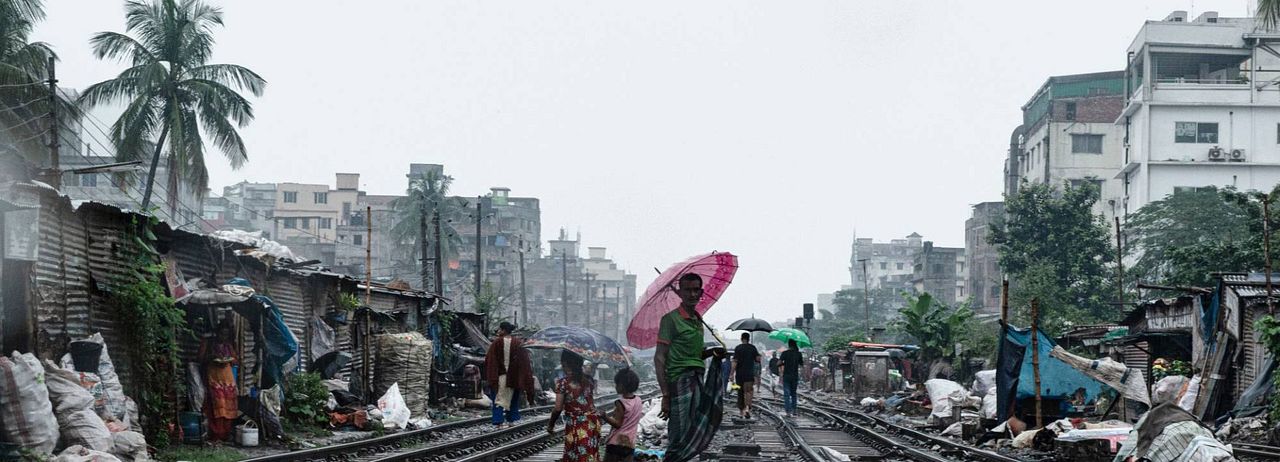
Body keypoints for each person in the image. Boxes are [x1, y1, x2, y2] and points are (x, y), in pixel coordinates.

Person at [655, 273, 726, 462]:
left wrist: (712, 352)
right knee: (679, 433)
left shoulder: (698, 321)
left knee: (693, 430)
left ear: (701, 292)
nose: (692, 294)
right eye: (688, 290)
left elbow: (695, 355)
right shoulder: (670, 320)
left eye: (696, 290)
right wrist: (666, 394)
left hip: (697, 378)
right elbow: (660, 357)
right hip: (679, 380)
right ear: (680, 292)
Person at [547, 350, 602, 462]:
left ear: (564, 363)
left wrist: (551, 425)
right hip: (592, 422)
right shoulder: (589, 380)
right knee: (589, 455)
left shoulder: (563, 383)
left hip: (576, 424)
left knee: (575, 455)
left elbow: (558, 408)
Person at [485, 321, 535, 428]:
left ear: (503, 330)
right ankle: (511, 420)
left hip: (500, 377)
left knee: (498, 399)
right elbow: (524, 361)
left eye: (499, 329)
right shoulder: (518, 343)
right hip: (514, 377)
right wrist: (524, 377)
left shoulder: (496, 343)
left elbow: (490, 360)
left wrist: (492, 375)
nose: (498, 331)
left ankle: (499, 422)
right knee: (513, 399)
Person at [200, 318, 238, 442]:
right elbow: (200, 358)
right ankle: (216, 435)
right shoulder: (210, 344)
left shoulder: (228, 346)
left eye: (226, 334)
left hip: (228, 380)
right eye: (222, 333)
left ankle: (225, 435)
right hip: (214, 379)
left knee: (229, 408)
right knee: (217, 407)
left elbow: (236, 360)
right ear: (217, 332)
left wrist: (229, 359)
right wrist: (212, 357)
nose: (224, 337)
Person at [601, 367, 642, 462]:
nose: (615, 387)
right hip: (630, 443)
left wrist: (605, 416)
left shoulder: (620, 403)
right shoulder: (638, 401)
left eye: (617, 384)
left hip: (616, 443)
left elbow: (617, 424)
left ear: (623, 385)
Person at [729, 332, 761, 418]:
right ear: (749, 339)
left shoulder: (738, 348)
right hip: (749, 374)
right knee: (749, 391)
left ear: (741, 338)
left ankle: (741, 412)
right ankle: (747, 408)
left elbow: (735, 362)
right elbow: (758, 359)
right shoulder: (752, 348)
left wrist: (731, 374)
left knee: (740, 392)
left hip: (739, 374)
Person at [779, 339, 803, 416]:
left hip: (786, 376)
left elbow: (778, 363)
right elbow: (801, 364)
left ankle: (788, 411)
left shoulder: (785, 353)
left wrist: (782, 363)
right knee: (793, 393)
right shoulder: (798, 354)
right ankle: (794, 410)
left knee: (786, 394)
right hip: (795, 376)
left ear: (789, 345)